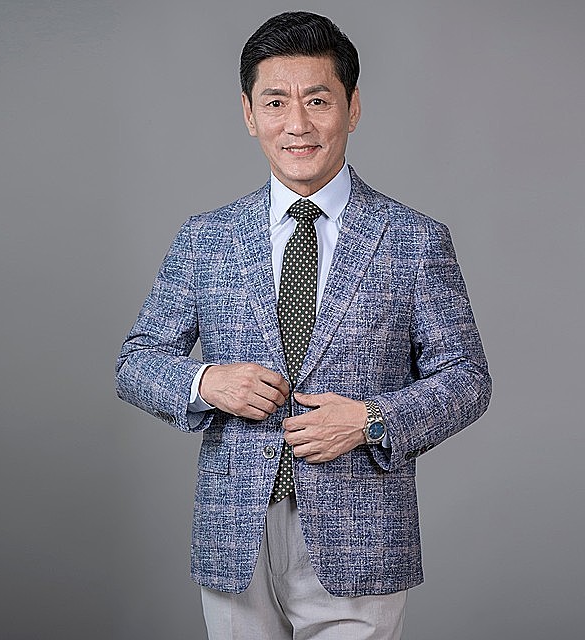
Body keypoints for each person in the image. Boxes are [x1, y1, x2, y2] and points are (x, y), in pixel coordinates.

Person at [115, 11, 491, 640]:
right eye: (276, 102)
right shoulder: (206, 238)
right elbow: (136, 363)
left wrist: (372, 421)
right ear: (248, 112)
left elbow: (467, 379)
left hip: (362, 534)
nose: (298, 124)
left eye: (318, 100)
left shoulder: (414, 239)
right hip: (236, 533)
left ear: (353, 106)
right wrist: (206, 382)